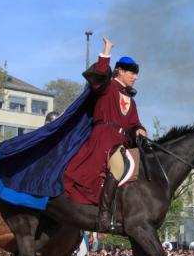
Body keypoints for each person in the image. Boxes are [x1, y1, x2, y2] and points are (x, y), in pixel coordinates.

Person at [62, 36, 147, 231]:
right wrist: (106, 51)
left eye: (136, 74)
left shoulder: (130, 100)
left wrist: (139, 129)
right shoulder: (107, 87)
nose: (135, 77)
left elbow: (133, 123)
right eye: (132, 73)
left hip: (122, 141)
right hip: (104, 139)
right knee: (118, 166)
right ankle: (104, 215)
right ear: (120, 71)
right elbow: (98, 76)